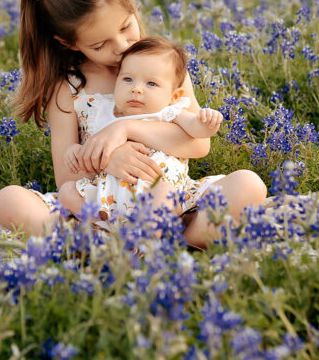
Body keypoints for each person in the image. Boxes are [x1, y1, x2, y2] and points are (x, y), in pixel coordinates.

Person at [0, 0, 267, 248]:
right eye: (99, 45)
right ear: (69, 43)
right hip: (98, 205)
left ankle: (170, 237)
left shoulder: (163, 69)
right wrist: (108, 160)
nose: (122, 47)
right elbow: (66, 175)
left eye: (125, 27)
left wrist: (124, 129)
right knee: (7, 200)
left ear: (132, 7)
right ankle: (104, 242)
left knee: (249, 184)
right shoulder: (68, 88)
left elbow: (198, 145)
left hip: (168, 202)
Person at [57, 37, 225, 225]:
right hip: (108, 196)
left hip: (155, 187)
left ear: (174, 96)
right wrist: (73, 151)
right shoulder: (101, 113)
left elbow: (196, 130)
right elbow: (89, 148)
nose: (136, 89)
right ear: (116, 83)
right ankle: (101, 228)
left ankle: (149, 240)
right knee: (67, 191)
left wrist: (207, 123)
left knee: (164, 194)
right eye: (127, 79)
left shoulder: (169, 111)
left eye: (151, 84)